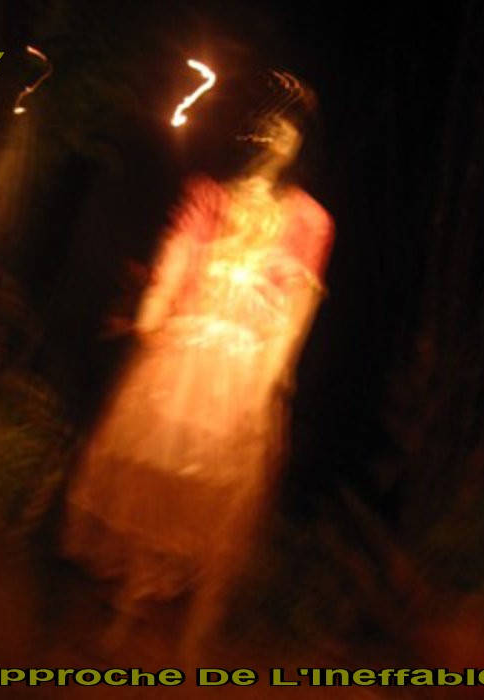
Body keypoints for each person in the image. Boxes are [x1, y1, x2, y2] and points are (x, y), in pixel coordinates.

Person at [62, 77, 335, 656]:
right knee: (153, 485)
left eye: (286, 127)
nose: (272, 134)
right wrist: (153, 312)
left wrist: (272, 373)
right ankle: (129, 608)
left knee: (218, 500)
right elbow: (175, 261)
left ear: (299, 142)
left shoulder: (307, 220)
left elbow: (296, 307)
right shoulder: (209, 197)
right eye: (265, 122)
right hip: (183, 360)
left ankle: (197, 630)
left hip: (241, 369)